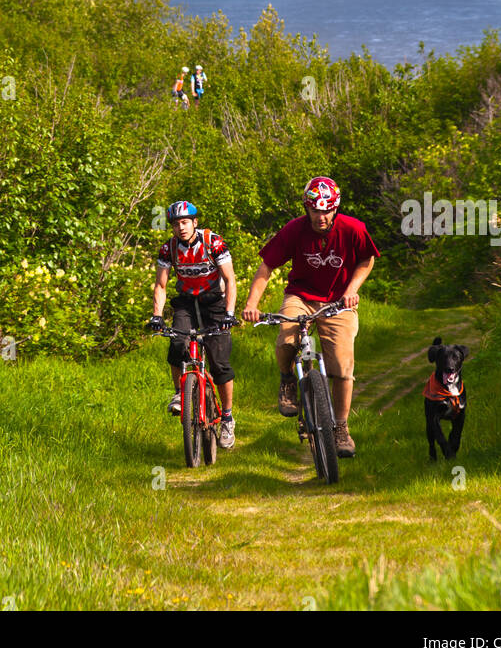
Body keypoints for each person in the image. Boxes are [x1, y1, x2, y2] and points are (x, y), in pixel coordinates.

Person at [241, 176, 379, 458]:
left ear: (336, 208)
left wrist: (352, 290)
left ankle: (341, 428)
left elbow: (367, 258)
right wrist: (251, 304)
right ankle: (287, 379)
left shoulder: (353, 228)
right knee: (287, 336)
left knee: (341, 366)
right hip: (301, 297)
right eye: (315, 210)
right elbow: (266, 267)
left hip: (339, 302)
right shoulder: (294, 230)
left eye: (327, 209)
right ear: (307, 208)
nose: (321, 216)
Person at [149, 199, 238, 449]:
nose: (181, 227)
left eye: (185, 222)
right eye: (176, 224)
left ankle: (228, 418)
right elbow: (161, 285)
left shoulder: (213, 242)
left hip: (214, 303)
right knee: (177, 344)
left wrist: (230, 313)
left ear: (195, 222)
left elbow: (230, 280)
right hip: (187, 302)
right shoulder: (169, 249)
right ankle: (181, 393)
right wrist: (157, 316)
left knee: (220, 364)